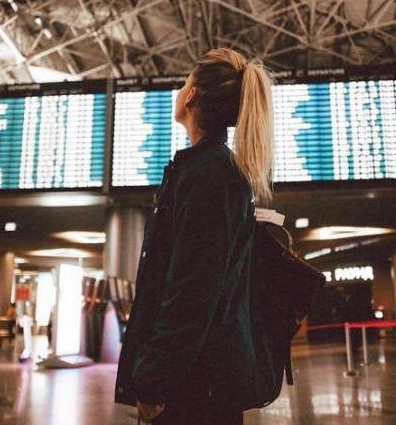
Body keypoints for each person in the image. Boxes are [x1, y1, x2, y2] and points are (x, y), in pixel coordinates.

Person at [115, 48, 277, 424]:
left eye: (184, 81)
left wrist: (154, 380)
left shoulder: (209, 176)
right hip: (198, 380)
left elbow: (190, 290)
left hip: (193, 390)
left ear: (191, 96)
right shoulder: (207, 171)